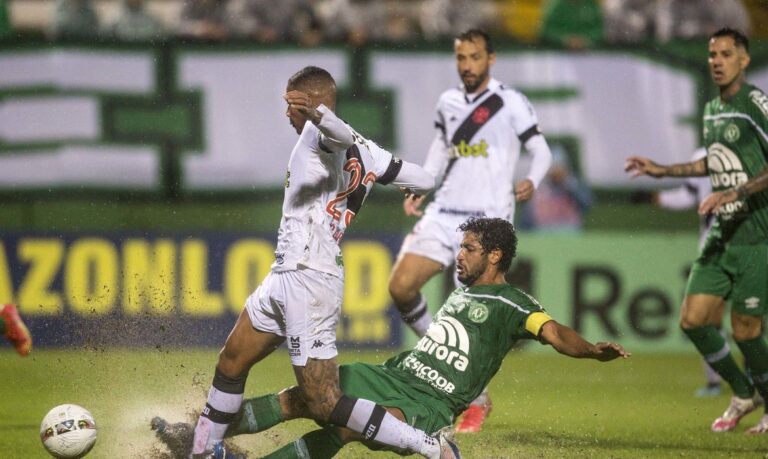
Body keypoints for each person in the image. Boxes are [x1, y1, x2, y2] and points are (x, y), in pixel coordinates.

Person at [153, 217, 630, 458]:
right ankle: (199, 436)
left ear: (496, 256)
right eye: (460, 247)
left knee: (346, 425)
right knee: (305, 399)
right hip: (392, 374)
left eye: (469, 249)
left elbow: (553, 332)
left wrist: (589, 350)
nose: (458, 256)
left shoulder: (514, 304)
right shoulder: (462, 291)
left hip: (429, 402)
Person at [183, 65, 468, 459]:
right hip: (285, 273)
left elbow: (338, 135)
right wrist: (402, 183)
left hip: (311, 279)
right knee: (232, 359)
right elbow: (423, 179)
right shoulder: (370, 152)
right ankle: (202, 452)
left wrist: (318, 115)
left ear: (314, 103)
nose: (287, 113)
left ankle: (429, 447)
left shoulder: (322, 135)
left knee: (324, 402)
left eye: (292, 104)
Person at [388, 28, 553, 433]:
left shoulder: (510, 102)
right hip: (445, 211)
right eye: (461, 58)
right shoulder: (447, 102)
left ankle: (473, 399)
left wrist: (533, 178)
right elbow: (440, 151)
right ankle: (438, 356)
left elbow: (541, 149)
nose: (467, 66)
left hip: (488, 218)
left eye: (474, 57)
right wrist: (421, 187)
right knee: (401, 286)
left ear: (490, 59)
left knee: (471, 319)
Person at [625, 28, 768, 434]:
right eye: (712, 54)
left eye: (726, 54)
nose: (717, 61)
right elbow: (713, 164)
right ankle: (743, 392)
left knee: (746, 331)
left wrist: (736, 191)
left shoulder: (754, 102)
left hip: (757, 235)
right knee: (692, 320)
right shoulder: (711, 110)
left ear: (744, 59)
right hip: (723, 234)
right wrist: (663, 169)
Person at [633, 148, 726, 397]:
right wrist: (656, 198)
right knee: (706, 318)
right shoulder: (701, 156)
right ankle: (718, 381)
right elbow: (688, 196)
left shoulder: (754, 149)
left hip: (748, 242)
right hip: (712, 245)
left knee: (746, 320)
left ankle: (751, 382)